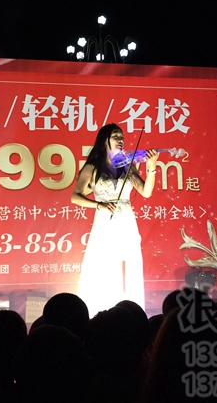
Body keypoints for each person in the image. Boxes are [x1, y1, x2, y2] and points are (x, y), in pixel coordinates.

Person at [71, 123, 159, 315]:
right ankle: (101, 312)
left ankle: (130, 312)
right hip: (104, 220)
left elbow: (146, 192)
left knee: (129, 263)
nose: (120, 140)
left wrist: (151, 168)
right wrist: (99, 205)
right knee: (104, 264)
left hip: (126, 220)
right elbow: (75, 196)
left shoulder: (128, 166)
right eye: (115, 136)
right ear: (105, 140)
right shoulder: (92, 167)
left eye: (122, 137)